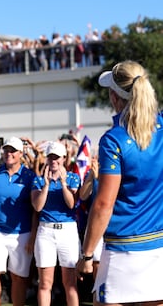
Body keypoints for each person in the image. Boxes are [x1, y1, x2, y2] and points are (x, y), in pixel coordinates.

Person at [77, 60, 163, 305]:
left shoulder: (113, 140)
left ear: (115, 97)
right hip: (159, 247)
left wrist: (86, 255)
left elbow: (104, 204)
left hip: (123, 251)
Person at [0, 136, 37, 306]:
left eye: (13, 150)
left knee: (18, 278)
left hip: (22, 233)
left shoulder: (29, 177)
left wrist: (33, 236)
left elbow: (36, 210)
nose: (9, 153)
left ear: (21, 153)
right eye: (6, 149)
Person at [31, 141, 80, 306]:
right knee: (45, 283)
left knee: (70, 283)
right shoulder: (38, 180)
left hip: (67, 231)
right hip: (46, 231)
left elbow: (71, 203)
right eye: (50, 157)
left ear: (64, 159)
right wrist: (46, 185)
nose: (53, 161)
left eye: (57, 158)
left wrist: (64, 184)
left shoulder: (73, 178)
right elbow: (37, 206)